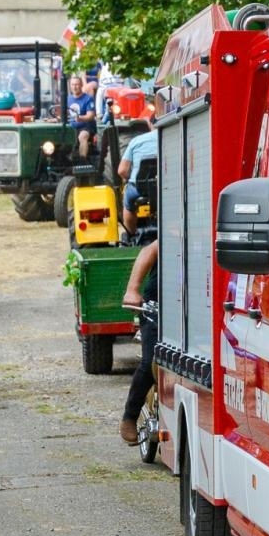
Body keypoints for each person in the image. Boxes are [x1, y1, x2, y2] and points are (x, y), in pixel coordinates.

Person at [118, 240, 158, 445]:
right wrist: (132, 289)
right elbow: (149, 250)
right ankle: (129, 417)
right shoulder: (178, 230)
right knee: (152, 360)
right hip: (157, 306)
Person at [117, 119, 157, 234]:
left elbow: (122, 170)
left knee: (128, 204)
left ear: (150, 124)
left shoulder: (136, 141)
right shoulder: (172, 139)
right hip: (164, 187)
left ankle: (130, 233)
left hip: (139, 188)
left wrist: (130, 179)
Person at [69, 75, 97, 157]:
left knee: (82, 136)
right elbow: (63, 114)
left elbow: (90, 116)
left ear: (81, 85)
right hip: (71, 127)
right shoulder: (68, 99)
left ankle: (82, 160)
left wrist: (80, 118)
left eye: (77, 84)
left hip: (85, 126)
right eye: (73, 85)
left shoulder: (88, 99)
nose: (75, 87)